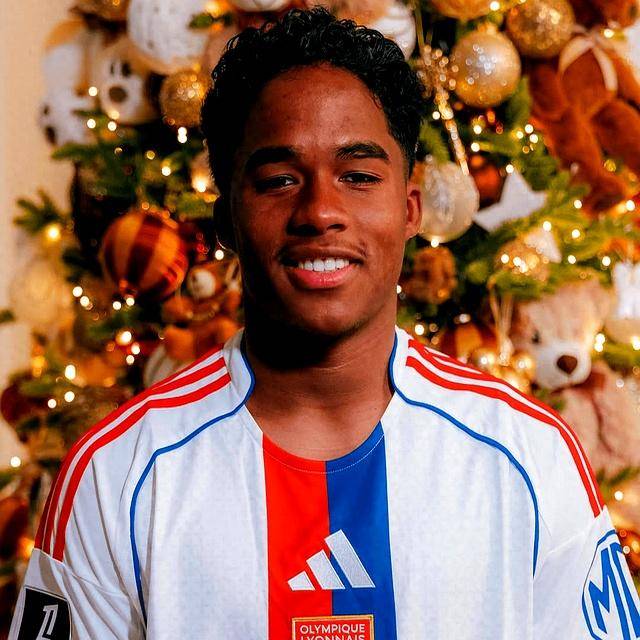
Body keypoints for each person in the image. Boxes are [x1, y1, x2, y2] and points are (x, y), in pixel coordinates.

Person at [10, 8, 640, 640]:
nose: (320, 211)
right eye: (279, 180)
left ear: (411, 210)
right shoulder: (117, 473)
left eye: (358, 176)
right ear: (226, 220)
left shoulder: (526, 455)